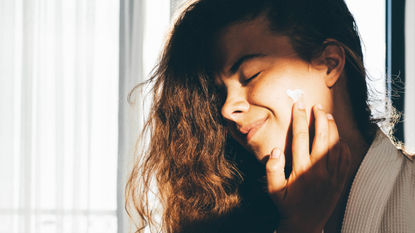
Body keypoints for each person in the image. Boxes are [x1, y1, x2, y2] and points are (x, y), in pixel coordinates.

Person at [125, 0, 415, 232]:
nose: (227, 109)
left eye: (250, 76)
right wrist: (300, 227)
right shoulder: (227, 219)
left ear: (329, 63)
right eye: (219, 94)